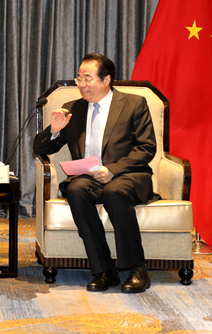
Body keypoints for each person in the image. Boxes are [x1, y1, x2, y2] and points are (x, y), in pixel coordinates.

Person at [33, 53, 156, 293]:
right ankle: (104, 270)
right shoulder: (73, 109)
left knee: (114, 192)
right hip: (90, 178)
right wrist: (55, 131)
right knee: (76, 191)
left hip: (127, 175)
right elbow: (40, 148)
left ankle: (137, 268)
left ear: (106, 79)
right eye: (79, 79)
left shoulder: (134, 104)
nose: (81, 84)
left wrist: (112, 170)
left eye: (87, 79)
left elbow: (146, 147)